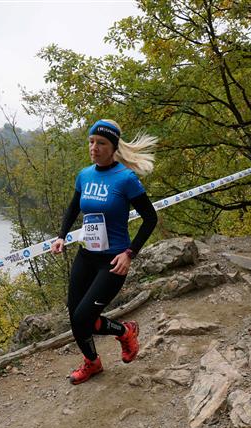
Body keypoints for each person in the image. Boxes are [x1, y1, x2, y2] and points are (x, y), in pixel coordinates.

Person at [52, 119, 158, 385]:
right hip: (86, 255)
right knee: (75, 318)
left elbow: (150, 218)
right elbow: (73, 207)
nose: (94, 148)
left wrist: (129, 253)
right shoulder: (85, 175)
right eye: (91, 142)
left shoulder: (125, 179)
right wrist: (61, 236)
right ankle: (93, 363)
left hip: (113, 261)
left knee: (83, 318)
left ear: (113, 148)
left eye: (101, 143)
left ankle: (125, 332)